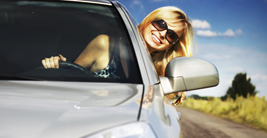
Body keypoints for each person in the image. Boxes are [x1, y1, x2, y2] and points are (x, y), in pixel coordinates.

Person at [41, 6, 196, 105]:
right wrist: (58, 66)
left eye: (171, 35)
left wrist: (174, 88)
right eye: (161, 24)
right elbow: (72, 80)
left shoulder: (155, 73)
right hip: (87, 118)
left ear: (171, 45)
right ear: (150, 20)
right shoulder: (105, 44)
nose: (162, 34)